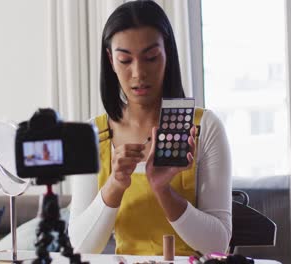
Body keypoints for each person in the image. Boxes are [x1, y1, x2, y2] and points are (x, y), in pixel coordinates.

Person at [68, 0, 231, 256]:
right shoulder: (91, 136)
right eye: (125, 60)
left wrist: (163, 189)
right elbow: (78, 248)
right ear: (111, 60)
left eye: (151, 57)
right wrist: (115, 184)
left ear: (168, 54)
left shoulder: (205, 128)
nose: (138, 73)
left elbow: (217, 245)